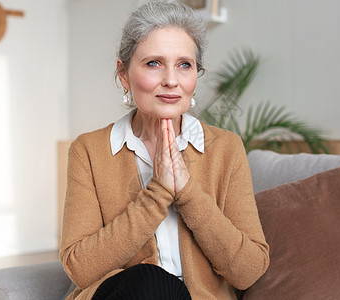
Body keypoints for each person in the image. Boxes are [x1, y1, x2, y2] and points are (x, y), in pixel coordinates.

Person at [60, 2, 269, 299]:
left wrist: (186, 192)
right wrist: (158, 194)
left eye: (184, 65)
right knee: (150, 282)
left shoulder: (226, 149)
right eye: (153, 63)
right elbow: (79, 268)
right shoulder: (89, 151)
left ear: (196, 76)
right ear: (123, 74)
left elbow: (248, 270)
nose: (171, 80)